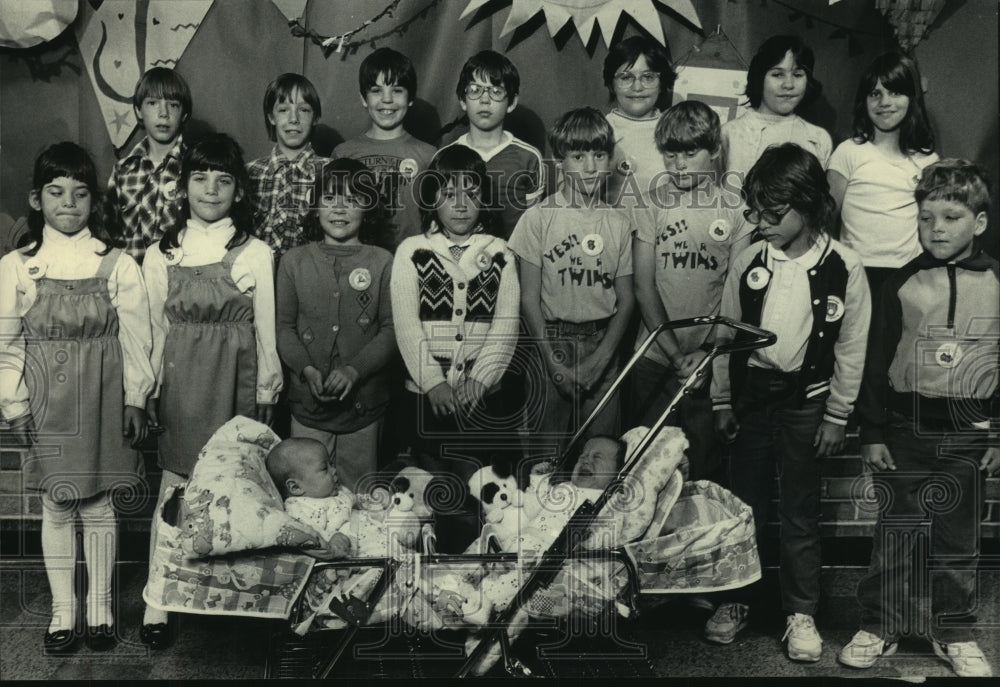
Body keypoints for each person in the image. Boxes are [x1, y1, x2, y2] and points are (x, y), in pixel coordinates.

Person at [707, 143, 871, 661]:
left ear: (809, 205)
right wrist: (722, 400)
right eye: (755, 211)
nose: (761, 222)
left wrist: (838, 413)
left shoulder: (845, 266)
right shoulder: (749, 260)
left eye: (773, 214)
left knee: (801, 513)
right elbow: (726, 335)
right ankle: (737, 601)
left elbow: (851, 347)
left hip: (808, 405)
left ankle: (801, 612)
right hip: (752, 401)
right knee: (742, 510)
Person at [839, 159, 997, 679]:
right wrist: (872, 432)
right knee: (896, 533)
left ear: (978, 222)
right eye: (927, 217)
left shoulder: (997, 281)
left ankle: (952, 630)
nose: (936, 229)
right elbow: (874, 359)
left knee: (957, 540)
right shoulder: (902, 281)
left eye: (951, 217)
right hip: (905, 429)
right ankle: (880, 624)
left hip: (968, 432)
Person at [0, 142, 153, 653]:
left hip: (104, 396)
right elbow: (6, 343)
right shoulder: (17, 266)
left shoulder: (117, 265)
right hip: (49, 403)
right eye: (56, 192)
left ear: (95, 201)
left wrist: (136, 398)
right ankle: (64, 610)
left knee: (101, 505)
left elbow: (136, 338)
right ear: (36, 199)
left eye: (80, 193)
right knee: (58, 504)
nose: (69, 203)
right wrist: (14, 404)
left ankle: (101, 608)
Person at [140, 133, 281, 648]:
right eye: (200, 178)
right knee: (173, 495)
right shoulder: (161, 254)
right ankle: (157, 603)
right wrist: (148, 391)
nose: (211, 189)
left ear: (239, 190)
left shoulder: (256, 251)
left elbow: (266, 326)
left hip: (235, 383)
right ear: (183, 186)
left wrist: (269, 384)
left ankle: (231, 601)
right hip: (182, 384)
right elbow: (153, 330)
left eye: (223, 180)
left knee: (234, 492)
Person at [390, 145, 519, 548]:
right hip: (427, 396)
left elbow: (506, 325)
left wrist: (480, 380)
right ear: (432, 198)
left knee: (482, 486)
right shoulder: (412, 251)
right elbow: (407, 326)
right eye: (448, 193)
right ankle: (433, 555)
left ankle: (481, 558)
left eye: (471, 192)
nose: (460, 204)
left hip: (482, 397)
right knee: (432, 484)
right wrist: (433, 382)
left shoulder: (500, 252)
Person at [631, 100, 753, 482]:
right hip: (653, 357)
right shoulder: (651, 204)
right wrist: (672, 352)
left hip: (709, 360)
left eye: (690, 152)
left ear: (715, 150)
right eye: (671, 153)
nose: (680, 163)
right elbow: (643, 285)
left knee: (703, 469)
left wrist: (704, 355)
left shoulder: (736, 209)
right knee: (646, 468)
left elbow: (736, 294)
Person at [508, 107, 634, 454]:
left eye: (599, 155)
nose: (591, 167)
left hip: (602, 341)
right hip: (553, 343)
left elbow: (627, 301)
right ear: (560, 160)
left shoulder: (619, 222)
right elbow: (528, 300)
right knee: (545, 457)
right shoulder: (538, 218)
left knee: (600, 455)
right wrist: (552, 362)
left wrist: (602, 358)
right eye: (578, 156)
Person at [276, 158, 395, 492]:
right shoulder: (293, 261)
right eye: (329, 198)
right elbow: (283, 328)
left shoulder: (383, 261)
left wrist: (355, 370)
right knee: (308, 498)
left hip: (364, 409)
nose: (340, 208)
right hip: (308, 407)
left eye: (352, 199)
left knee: (360, 495)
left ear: (368, 207)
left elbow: (390, 329)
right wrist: (307, 370)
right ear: (315, 207)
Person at [827, 52, 939, 298]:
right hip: (854, 272)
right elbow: (826, 216)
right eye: (875, 93)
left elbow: (931, 222)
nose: (884, 102)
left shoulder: (927, 160)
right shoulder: (848, 152)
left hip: (906, 273)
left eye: (895, 92)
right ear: (864, 100)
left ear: (912, 97)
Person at [334, 48, 436, 252]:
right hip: (359, 261)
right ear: (364, 98)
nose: (387, 99)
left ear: (410, 98)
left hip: (412, 261)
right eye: (376, 90)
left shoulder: (428, 155)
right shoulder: (343, 153)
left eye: (397, 90)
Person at [438, 50, 545, 239]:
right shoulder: (445, 156)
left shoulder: (529, 157)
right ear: (462, 100)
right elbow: (437, 224)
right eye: (475, 90)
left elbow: (535, 229)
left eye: (496, 92)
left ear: (511, 102)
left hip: (513, 262)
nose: (485, 100)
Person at [104, 67, 190, 264]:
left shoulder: (193, 168)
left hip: (178, 280)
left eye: (173, 105)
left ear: (184, 114)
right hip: (131, 281)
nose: (163, 113)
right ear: (138, 111)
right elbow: (109, 232)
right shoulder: (123, 170)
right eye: (152, 103)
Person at [722, 35, 832, 181]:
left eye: (798, 75)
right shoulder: (729, 133)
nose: (788, 84)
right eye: (778, 74)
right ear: (760, 78)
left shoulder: (817, 138)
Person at [246, 73, 326, 261]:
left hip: (309, 278)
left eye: (304, 110)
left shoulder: (329, 172)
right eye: (283, 110)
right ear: (271, 117)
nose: (293, 119)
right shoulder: (249, 172)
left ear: (315, 117)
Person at [602, 35, 677, 204]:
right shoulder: (598, 130)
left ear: (662, 82)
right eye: (626, 77)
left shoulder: (676, 130)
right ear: (611, 84)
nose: (637, 87)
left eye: (648, 77)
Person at [266, 437, 354, 555]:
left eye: (331, 464)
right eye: (324, 468)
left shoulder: (337, 489)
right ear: (296, 487)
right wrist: (334, 539)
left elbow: (354, 500)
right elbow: (311, 535)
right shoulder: (298, 508)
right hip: (348, 545)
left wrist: (374, 499)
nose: (334, 470)